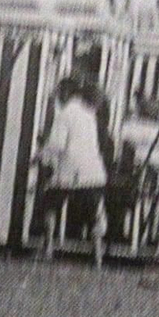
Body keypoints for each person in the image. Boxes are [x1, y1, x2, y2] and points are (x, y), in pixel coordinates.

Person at [36, 76, 108, 243]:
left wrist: (40, 153)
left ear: (65, 93)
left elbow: (57, 144)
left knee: (49, 205)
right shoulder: (89, 114)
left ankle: (48, 248)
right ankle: (97, 256)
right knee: (94, 214)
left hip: (70, 169)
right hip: (93, 171)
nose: (56, 96)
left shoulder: (65, 114)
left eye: (58, 92)